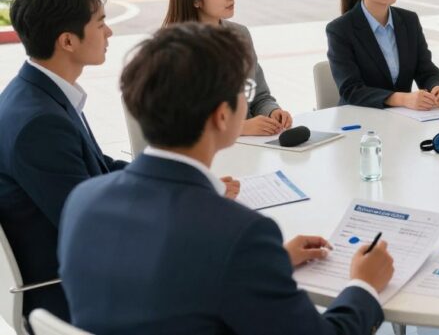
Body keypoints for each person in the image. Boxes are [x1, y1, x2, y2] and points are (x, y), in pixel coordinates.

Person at [58, 23, 395, 333]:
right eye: (242, 90)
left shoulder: (83, 200)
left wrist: (268, 263)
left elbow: (170, 282)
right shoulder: (239, 233)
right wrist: (363, 285)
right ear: (222, 115)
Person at [0, 0, 127, 323]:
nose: (109, 32)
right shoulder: (38, 124)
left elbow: (98, 168)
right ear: (68, 41)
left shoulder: (38, 93)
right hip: (69, 293)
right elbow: (93, 226)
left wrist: (176, 181)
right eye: (101, 23)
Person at [164, 0, 293, 136]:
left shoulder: (240, 35)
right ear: (195, 0)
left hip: (249, 148)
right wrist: (240, 128)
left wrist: (272, 112)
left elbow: (259, 96)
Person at [326, 0, 439, 109]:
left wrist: (437, 87)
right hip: (360, 120)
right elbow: (351, 90)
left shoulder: (409, 20)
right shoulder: (340, 30)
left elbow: (426, 70)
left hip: (404, 119)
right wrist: (402, 99)